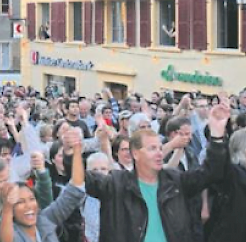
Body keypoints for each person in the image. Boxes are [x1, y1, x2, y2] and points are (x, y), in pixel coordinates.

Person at [83, 103, 230, 242]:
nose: (160, 153)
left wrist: (217, 137)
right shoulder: (116, 183)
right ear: (135, 153)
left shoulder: (176, 182)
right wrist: (74, 152)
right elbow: (80, 179)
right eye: (152, 149)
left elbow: (210, 173)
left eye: (160, 148)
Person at [0, 124, 84, 242]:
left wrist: (76, 151)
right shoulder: (11, 234)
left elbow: (74, 191)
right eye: (20, 202)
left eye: (32, 199)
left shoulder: (44, 219)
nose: (28, 206)